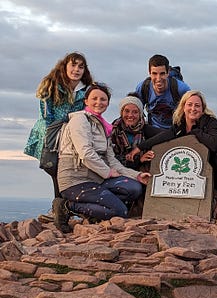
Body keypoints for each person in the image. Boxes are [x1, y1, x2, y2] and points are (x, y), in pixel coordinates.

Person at [54, 83, 151, 233]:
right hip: (75, 180)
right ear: (86, 101)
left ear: (108, 103)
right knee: (120, 212)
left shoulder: (104, 127)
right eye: (94, 98)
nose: (99, 102)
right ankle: (67, 206)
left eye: (103, 99)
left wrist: (137, 176)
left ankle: (96, 211)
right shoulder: (80, 120)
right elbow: (86, 153)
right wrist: (108, 172)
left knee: (134, 188)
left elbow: (112, 161)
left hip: (96, 179)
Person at [24, 52, 94, 216]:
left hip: (72, 137)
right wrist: (53, 138)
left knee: (68, 173)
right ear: (65, 66)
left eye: (80, 66)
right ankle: (60, 209)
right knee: (55, 170)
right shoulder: (51, 85)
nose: (76, 69)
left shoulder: (87, 90)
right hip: (51, 136)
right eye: (73, 65)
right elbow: (46, 115)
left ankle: (62, 208)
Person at [126, 90, 217, 189]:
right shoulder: (179, 124)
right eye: (189, 104)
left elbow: (215, 144)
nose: (193, 108)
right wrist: (139, 148)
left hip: (210, 171)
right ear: (183, 107)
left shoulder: (211, 122)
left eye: (197, 106)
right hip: (184, 173)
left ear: (202, 109)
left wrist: (196, 131)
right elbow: (163, 136)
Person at [135, 54, 190, 130]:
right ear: (149, 73)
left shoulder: (181, 89)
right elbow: (134, 111)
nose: (158, 78)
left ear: (167, 73)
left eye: (162, 74)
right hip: (153, 129)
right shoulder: (143, 88)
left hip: (176, 130)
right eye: (154, 73)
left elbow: (192, 113)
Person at [110, 93, 160, 171]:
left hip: (143, 171)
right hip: (117, 171)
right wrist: (139, 160)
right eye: (127, 111)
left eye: (135, 112)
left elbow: (169, 135)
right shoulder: (112, 131)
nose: (130, 115)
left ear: (140, 114)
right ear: (121, 112)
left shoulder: (148, 130)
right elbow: (110, 158)